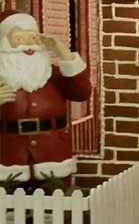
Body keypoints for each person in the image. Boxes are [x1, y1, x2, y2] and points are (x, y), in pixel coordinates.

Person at [0, 10, 91, 184]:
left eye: (32, 38)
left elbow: (82, 93)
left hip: (53, 155)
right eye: (18, 38)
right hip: (8, 158)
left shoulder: (54, 75)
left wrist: (64, 54)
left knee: (53, 206)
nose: (27, 45)